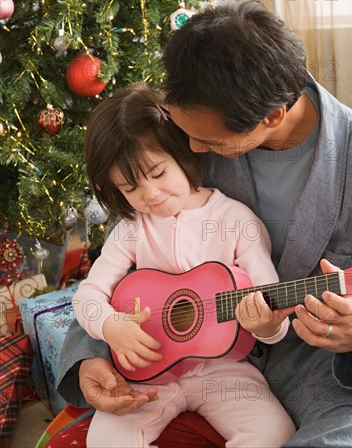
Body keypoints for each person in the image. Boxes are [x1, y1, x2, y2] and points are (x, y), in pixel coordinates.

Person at [56, 1, 352, 447]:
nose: (192, 150)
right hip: (168, 357)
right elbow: (124, 267)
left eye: (211, 141)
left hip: (321, 371)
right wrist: (91, 354)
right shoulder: (188, 126)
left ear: (272, 116)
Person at [70, 82, 296, 448]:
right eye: (129, 188)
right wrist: (109, 324)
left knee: (275, 435)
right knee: (104, 441)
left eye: (158, 174)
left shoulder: (237, 221)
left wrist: (269, 326)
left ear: (182, 152)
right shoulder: (131, 229)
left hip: (226, 369)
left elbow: (270, 305)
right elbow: (88, 294)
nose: (150, 194)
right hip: (146, 372)